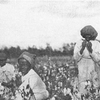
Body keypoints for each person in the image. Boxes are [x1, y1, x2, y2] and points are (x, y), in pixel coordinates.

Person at [73, 25, 100, 94]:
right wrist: (82, 49)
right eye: (86, 35)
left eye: (89, 35)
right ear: (83, 35)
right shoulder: (79, 43)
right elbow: (75, 58)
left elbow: (97, 59)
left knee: (94, 86)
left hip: (93, 67)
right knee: (82, 87)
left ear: (92, 35)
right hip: (82, 67)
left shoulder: (97, 43)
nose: (87, 37)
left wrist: (91, 50)